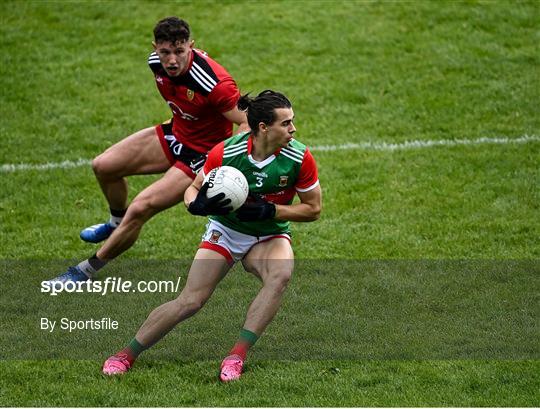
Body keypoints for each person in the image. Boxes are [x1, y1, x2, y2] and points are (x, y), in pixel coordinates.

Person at [101, 90, 322, 382]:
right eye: (286, 123)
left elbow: (313, 209)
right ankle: (125, 354)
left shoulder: (298, 157)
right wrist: (196, 205)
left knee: (280, 276)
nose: (293, 129)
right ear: (263, 128)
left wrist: (271, 212)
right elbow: (192, 189)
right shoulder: (226, 152)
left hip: (269, 235)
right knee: (191, 300)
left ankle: (236, 355)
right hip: (227, 231)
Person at [47, 17, 248, 285]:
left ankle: (85, 270)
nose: (172, 60)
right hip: (176, 134)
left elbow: (245, 121)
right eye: (165, 52)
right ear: (155, 48)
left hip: (201, 154)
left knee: (141, 208)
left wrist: (223, 164)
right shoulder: (156, 64)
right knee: (103, 166)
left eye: (180, 51)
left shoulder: (214, 83)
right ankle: (116, 222)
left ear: (192, 46)